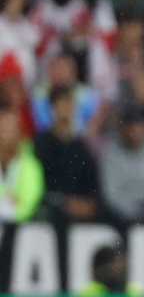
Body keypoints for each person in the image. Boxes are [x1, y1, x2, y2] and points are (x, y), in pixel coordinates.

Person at [31, 0, 117, 102]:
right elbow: (38, 39)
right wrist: (65, 35)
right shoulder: (49, 3)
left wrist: (90, 32)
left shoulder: (98, 3)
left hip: (88, 63)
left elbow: (110, 37)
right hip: (59, 61)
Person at [34, 84, 100, 223]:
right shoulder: (40, 144)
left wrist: (89, 202)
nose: (68, 107)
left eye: (70, 102)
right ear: (52, 107)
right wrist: (64, 202)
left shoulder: (80, 147)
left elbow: (91, 181)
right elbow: (38, 185)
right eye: (63, 102)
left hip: (79, 206)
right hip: (52, 207)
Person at [100, 108, 144, 222]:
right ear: (123, 130)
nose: (135, 133)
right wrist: (135, 213)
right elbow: (111, 195)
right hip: (123, 217)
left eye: (139, 128)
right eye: (131, 128)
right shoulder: (111, 155)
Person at [0, 109, 43, 222]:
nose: (6, 135)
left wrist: (11, 212)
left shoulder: (31, 166)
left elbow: (30, 202)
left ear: (19, 132)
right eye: (3, 129)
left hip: (22, 228)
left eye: (11, 130)